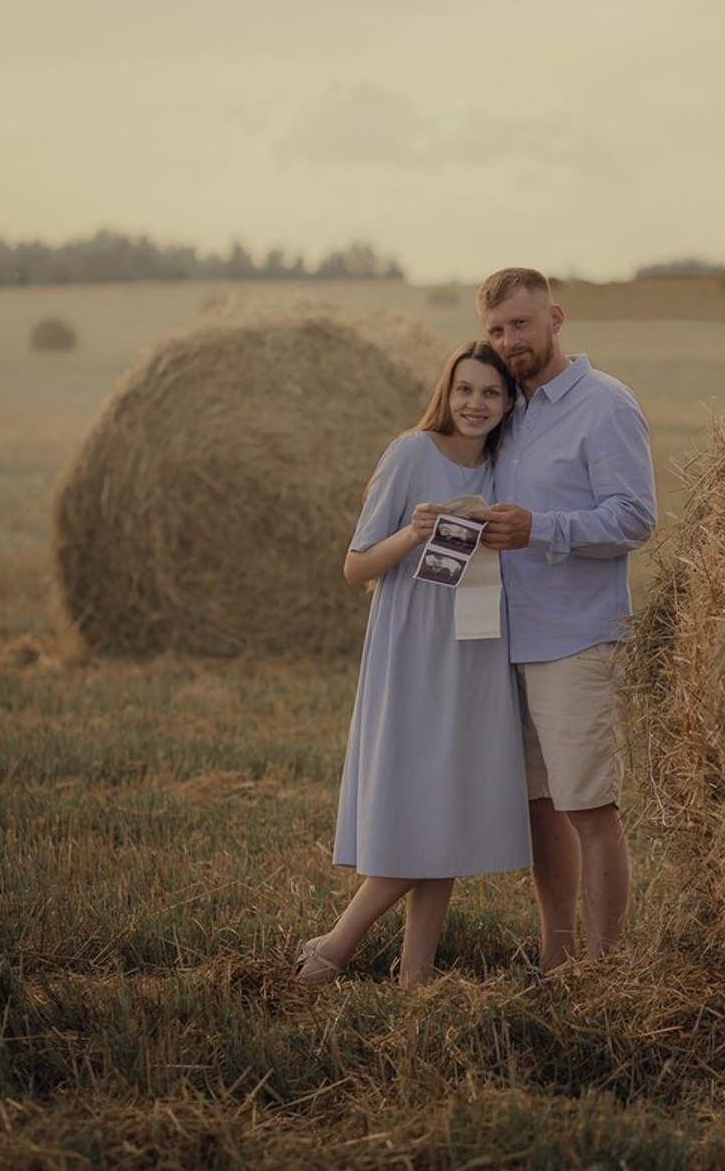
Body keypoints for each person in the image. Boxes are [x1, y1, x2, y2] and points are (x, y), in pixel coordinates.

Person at [293, 339, 531, 987]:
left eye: (490, 392)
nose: (475, 403)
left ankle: (416, 974)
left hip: (476, 645)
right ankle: (335, 948)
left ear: (508, 402)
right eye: (465, 389)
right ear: (445, 393)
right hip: (412, 645)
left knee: (447, 800)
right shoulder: (410, 453)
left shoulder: (502, 470)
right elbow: (355, 567)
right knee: (421, 799)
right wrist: (413, 532)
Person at [471, 267, 656, 970]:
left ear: (555, 317)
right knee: (539, 807)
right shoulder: (504, 409)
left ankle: (603, 973)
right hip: (506, 639)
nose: (508, 341)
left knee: (589, 809)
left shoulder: (605, 405)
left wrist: (540, 528)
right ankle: (558, 959)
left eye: (520, 324)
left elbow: (635, 518)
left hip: (577, 639)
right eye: (495, 330)